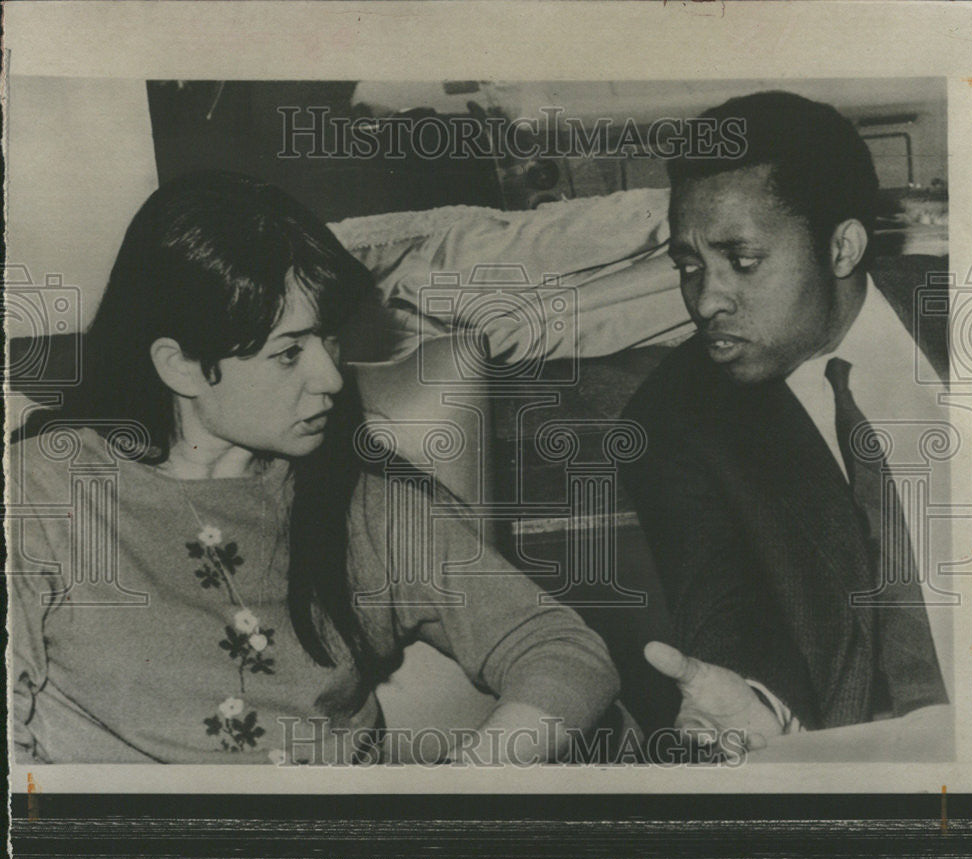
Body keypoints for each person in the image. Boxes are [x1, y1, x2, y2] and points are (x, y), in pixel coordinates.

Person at [9, 170, 619, 765]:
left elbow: (563, 651)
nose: (331, 377)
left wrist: (465, 786)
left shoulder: (362, 505)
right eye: (289, 352)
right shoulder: (43, 494)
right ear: (181, 366)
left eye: (328, 339)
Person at [621, 91, 949, 746]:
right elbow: (722, 602)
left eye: (742, 261)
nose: (706, 299)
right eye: (689, 266)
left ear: (843, 247)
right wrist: (757, 703)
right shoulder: (675, 415)